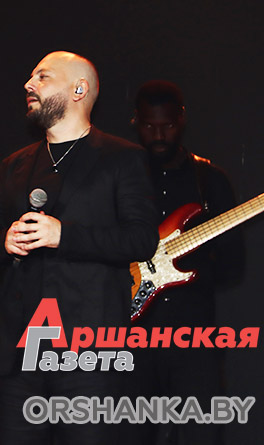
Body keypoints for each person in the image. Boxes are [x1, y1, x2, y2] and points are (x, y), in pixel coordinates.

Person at [0, 51, 158, 444]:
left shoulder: (122, 159)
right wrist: (4, 242)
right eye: (31, 77)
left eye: (43, 76)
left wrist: (65, 235)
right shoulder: (14, 165)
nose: (29, 84)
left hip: (89, 359)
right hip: (20, 359)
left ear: (79, 89)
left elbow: (142, 239)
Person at [129, 80, 243, 445]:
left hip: (194, 338)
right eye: (150, 126)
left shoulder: (210, 181)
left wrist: (188, 274)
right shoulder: (121, 177)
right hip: (131, 339)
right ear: (136, 122)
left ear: (182, 119)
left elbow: (233, 263)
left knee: (202, 433)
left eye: (167, 125)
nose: (159, 135)